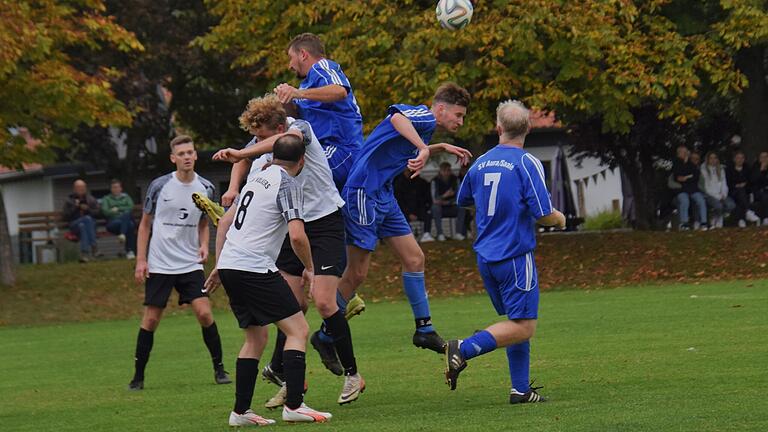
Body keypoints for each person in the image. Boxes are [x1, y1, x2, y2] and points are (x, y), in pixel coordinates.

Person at [213, 94, 364, 406]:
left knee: (323, 302)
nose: (261, 144)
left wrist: (242, 151)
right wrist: (232, 188)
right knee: (290, 306)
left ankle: (352, 374)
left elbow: (276, 142)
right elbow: (244, 175)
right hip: (292, 231)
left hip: (323, 226)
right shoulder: (265, 159)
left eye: (265, 137)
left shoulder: (301, 129)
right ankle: (289, 381)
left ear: (280, 128)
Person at [204, 135, 333, 425]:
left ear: (273, 156)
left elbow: (224, 222)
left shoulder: (256, 178)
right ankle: (295, 406)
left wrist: (219, 264)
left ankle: (240, 413)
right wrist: (310, 268)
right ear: (302, 161)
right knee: (298, 329)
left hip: (231, 265)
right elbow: (298, 236)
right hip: (253, 267)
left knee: (256, 337)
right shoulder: (289, 184)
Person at [444, 100, 566, 404]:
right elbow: (543, 214)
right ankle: (464, 347)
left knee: (515, 321)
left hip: (485, 256)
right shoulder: (527, 162)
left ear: (498, 128)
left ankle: (520, 389)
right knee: (524, 325)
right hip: (514, 254)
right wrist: (560, 218)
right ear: (528, 128)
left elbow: (464, 200)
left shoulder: (481, 161)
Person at [338, 83, 473, 354]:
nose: (460, 121)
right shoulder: (423, 116)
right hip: (364, 191)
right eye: (458, 115)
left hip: (383, 195)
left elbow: (404, 140)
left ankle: (424, 330)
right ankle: (328, 332)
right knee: (357, 273)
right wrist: (424, 148)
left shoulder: (424, 128)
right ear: (441, 109)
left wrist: (439, 146)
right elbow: (396, 117)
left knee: (415, 258)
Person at [129, 135, 230, 391]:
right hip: (160, 263)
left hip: (189, 264)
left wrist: (203, 246)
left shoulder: (206, 188)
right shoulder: (159, 186)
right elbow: (145, 225)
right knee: (151, 320)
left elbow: (205, 223)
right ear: (173, 158)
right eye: (181, 153)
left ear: (195, 155)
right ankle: (138, 377)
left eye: (190, 152)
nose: (186, 156)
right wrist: (141, 260)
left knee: (205, 314)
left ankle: (220, 370)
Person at [62, 179, 101, 262]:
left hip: (89, 226)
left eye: (83, 188)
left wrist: (88, 209)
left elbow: (98, 213)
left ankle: (84, 255)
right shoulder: (69, 200)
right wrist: (75, 207)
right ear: (74, 189)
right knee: (86, 220)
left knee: (83, 226)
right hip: (74, 225)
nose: (81, 190)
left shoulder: (91, 199)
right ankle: (94, 247)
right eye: (79, 188)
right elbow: (65, 216)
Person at [672, 145, 707, 230]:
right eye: (683, 152)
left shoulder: (691, 164)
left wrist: (685, 178)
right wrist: (687, 177)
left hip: (692, 189)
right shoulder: (675, 163)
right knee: (684, 201)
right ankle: (684, 223)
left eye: (686, 152)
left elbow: (695, 176)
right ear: (678, 154)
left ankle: (704, 223)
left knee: (701, 201)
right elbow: (677, 176)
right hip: (681, 190)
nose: (685, 154)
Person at [393, 168, 434, 242]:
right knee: (400, 217)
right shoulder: (398, 184)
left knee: (428, 214)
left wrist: (416, 213)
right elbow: (399, 202)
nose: (408, 172)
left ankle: (426, 234)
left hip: (419, 210)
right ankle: (407, 236)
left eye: (410, 171)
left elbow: (425, 200)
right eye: (406, 171)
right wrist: (409, 213)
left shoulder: (422, 183)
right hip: (404, 212)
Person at [431, 162, 468, 241]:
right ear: (440, 171)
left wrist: (449, 201)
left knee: (461, 208)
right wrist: (445, 196)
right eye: (444, 170)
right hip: (440, 207)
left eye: (448, 170)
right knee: (435, 208)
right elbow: (434, 199)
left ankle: (458, 233)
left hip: (451, 205)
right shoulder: (435, 181)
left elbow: (459, 196)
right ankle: (440, 234)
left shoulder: (455, 179)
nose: (446, 173)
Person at [101, 179, 137, 258]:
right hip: (112, 223)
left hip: (125, 222)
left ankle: (123, 235)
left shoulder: (126, 197)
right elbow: (105, 211)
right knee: (129, 222)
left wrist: (117, 208)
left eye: (117, 187)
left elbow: (131, 207)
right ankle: (129, 250)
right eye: (114, 187)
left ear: (121, 188)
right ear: (111, 189)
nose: (116, 189)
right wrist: (123, 209)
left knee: (129, 223)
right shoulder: (106, 199)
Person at [700, 152, 735, 229]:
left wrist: (724, 194)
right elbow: (706, 187)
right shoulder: (703, 170)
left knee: (731, 205)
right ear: (708, 159)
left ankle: (719, 215)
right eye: (711, 158)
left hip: (721, 194)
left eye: (715, 158)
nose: (713, 160)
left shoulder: (721, 169)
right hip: (710, 195)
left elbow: (724, 184)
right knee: (718, 206)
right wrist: (717, 196)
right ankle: (716, 218)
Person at [726, 151, 759, 227]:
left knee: (741, 199)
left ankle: (741, 220)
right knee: (741, 194)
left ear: (744, 159)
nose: (740, 160)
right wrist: (736, 185)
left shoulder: (747, 168)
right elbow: (728, 182)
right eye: (738, 158)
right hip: (733, 192)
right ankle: (748, 211)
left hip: (745, 192)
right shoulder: (729, 169)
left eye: (742, 158)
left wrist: (745, 184)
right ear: (734, 159)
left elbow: (751, 181)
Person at [752, 151, 768, 225]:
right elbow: (754, 180)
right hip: (758, 191)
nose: (764, 159)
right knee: (765, 197)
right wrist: (761, 170)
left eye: (766, 157)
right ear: (759, 159)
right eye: (762, 157)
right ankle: (766, 218)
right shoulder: (755, 167)